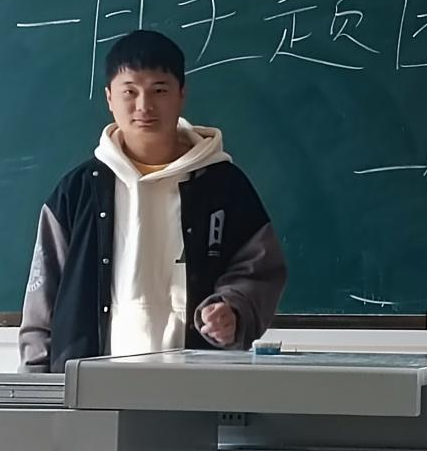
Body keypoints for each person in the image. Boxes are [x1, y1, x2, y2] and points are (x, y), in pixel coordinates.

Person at [18, 30, 286, 372]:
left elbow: (260, 270)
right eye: (129, 91)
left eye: (159, 90)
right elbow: (42, 298)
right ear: (109, 98)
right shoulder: (78, 191)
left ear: (182, 94)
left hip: (200, 384)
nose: (144, 106)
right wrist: (37, 380)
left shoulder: (223, 185)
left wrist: (233, 309)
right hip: (92, 387)